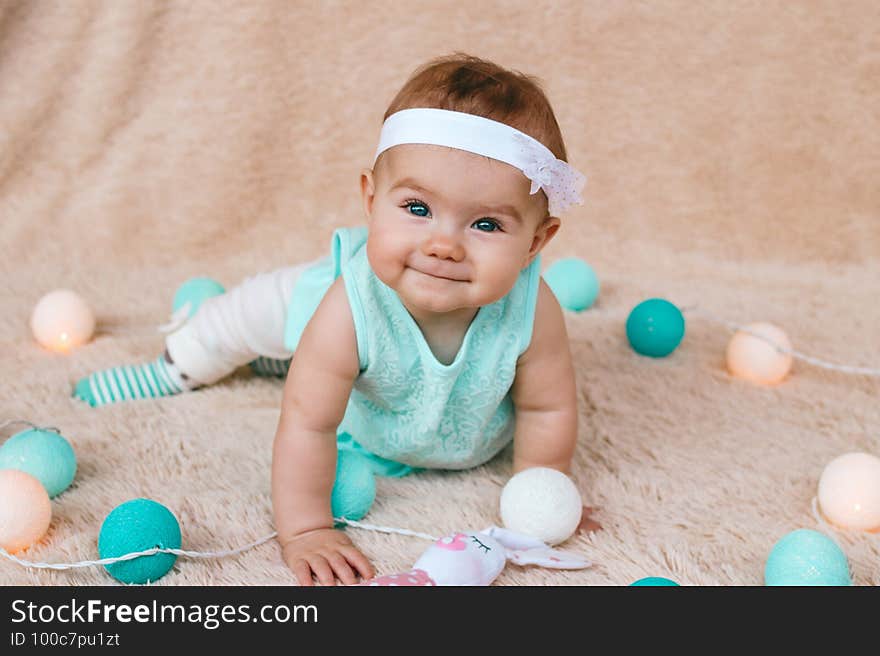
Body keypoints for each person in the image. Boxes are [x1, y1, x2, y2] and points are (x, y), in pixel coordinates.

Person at [72, 53, 587, 585]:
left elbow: (548, 407)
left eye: (485, 224)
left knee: (312, 362)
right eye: (416, 209)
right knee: (246, 319)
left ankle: (283, 361)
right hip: (331, 312)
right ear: (371, 200)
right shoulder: (348, 303)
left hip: (395, 386)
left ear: (535, 241)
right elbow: (308, 422)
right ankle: (177, 364)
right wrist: (306, 529)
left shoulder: (532, 307)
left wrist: (542, 489)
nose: (443, 246)